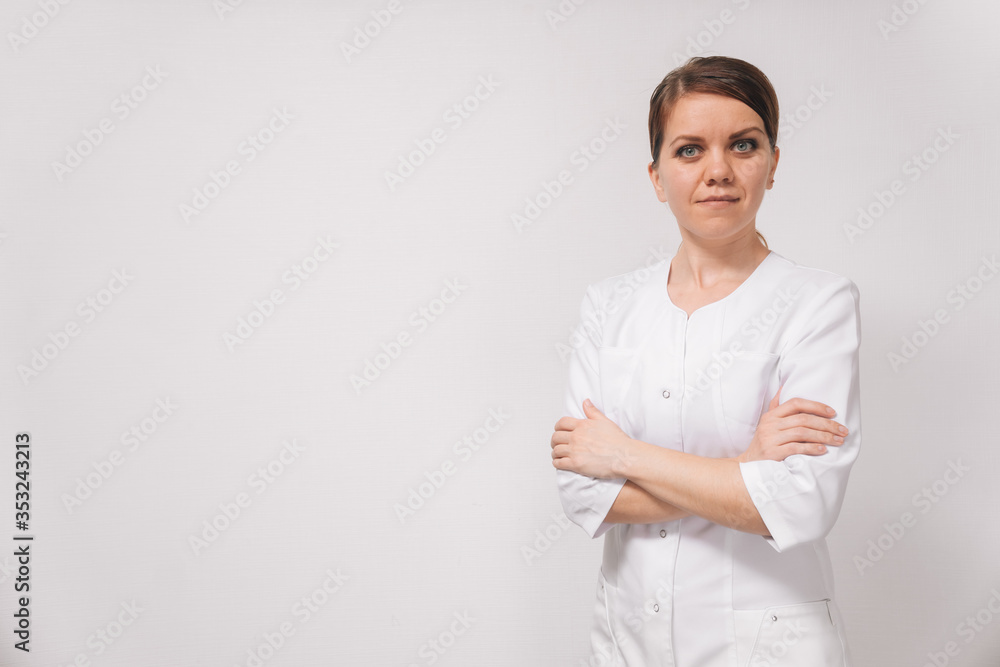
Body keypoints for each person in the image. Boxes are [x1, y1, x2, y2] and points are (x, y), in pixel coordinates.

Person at [550, 56, 861, 666]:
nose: (718, 170)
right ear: (656, 175)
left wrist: (624, 456)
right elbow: (584, 494)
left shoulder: (817, 303)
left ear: (773, 163)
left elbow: (800, 504)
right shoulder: (609, 305)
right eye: (689, 150)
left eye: (743, 145)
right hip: (629, 638)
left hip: (768, 643)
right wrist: (745, 468)